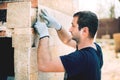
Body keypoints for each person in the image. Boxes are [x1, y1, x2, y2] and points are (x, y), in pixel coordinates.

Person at [34, 9, 103, 80]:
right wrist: (58, 26)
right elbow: (67, 40)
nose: (70, 29)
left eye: (73, 26)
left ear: (85, 31)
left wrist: (44, 35)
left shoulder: (81, 58)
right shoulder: (96, 49)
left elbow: (44, 65)